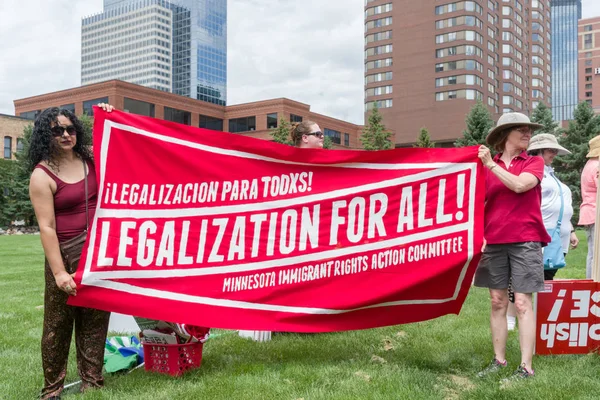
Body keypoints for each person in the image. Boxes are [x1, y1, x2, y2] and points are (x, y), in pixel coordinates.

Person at [29, 103, 114, 399]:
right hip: (64, 254)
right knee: (57, 326)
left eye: (70, 128)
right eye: (58, 130)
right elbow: (47, 227)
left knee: (95, 321)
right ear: (46, 135)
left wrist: (110, 114)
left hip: (97, 252)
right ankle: (52, 390)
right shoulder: (42, 175)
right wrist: (59, 273)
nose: (66, 134)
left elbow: (119, 145)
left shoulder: (91, 157)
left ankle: (93, 383)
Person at [474, 112, 550, 381]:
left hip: (526, 240)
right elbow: (475, 203)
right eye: (521, 129)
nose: (528, 134)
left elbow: (519, 186)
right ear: (505, 135)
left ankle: (526, 367)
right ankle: (499, 360)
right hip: (494, 240)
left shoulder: (534, 162)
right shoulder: (484, 166)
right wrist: (479, 235)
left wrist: (491, 167)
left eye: (529, 129)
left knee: (521, 302)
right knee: (497, 301)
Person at [527, 133, 579, 280]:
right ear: (538, 150)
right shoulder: (531, 172)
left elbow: (561, 204)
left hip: (558, 237)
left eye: (555, 151)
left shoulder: (550, 173)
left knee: (546, 280)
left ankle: (538, 303)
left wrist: (571, 230)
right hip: (541, 236)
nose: (555, 154)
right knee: (534, 281)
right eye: (551, 150)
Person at [579, 135, 600, 279]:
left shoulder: (589, 164)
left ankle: (591, 281)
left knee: (593, 252)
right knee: (596, 253)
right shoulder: (598, 166)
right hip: (595, 212)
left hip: (589, 212)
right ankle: (594, 282)